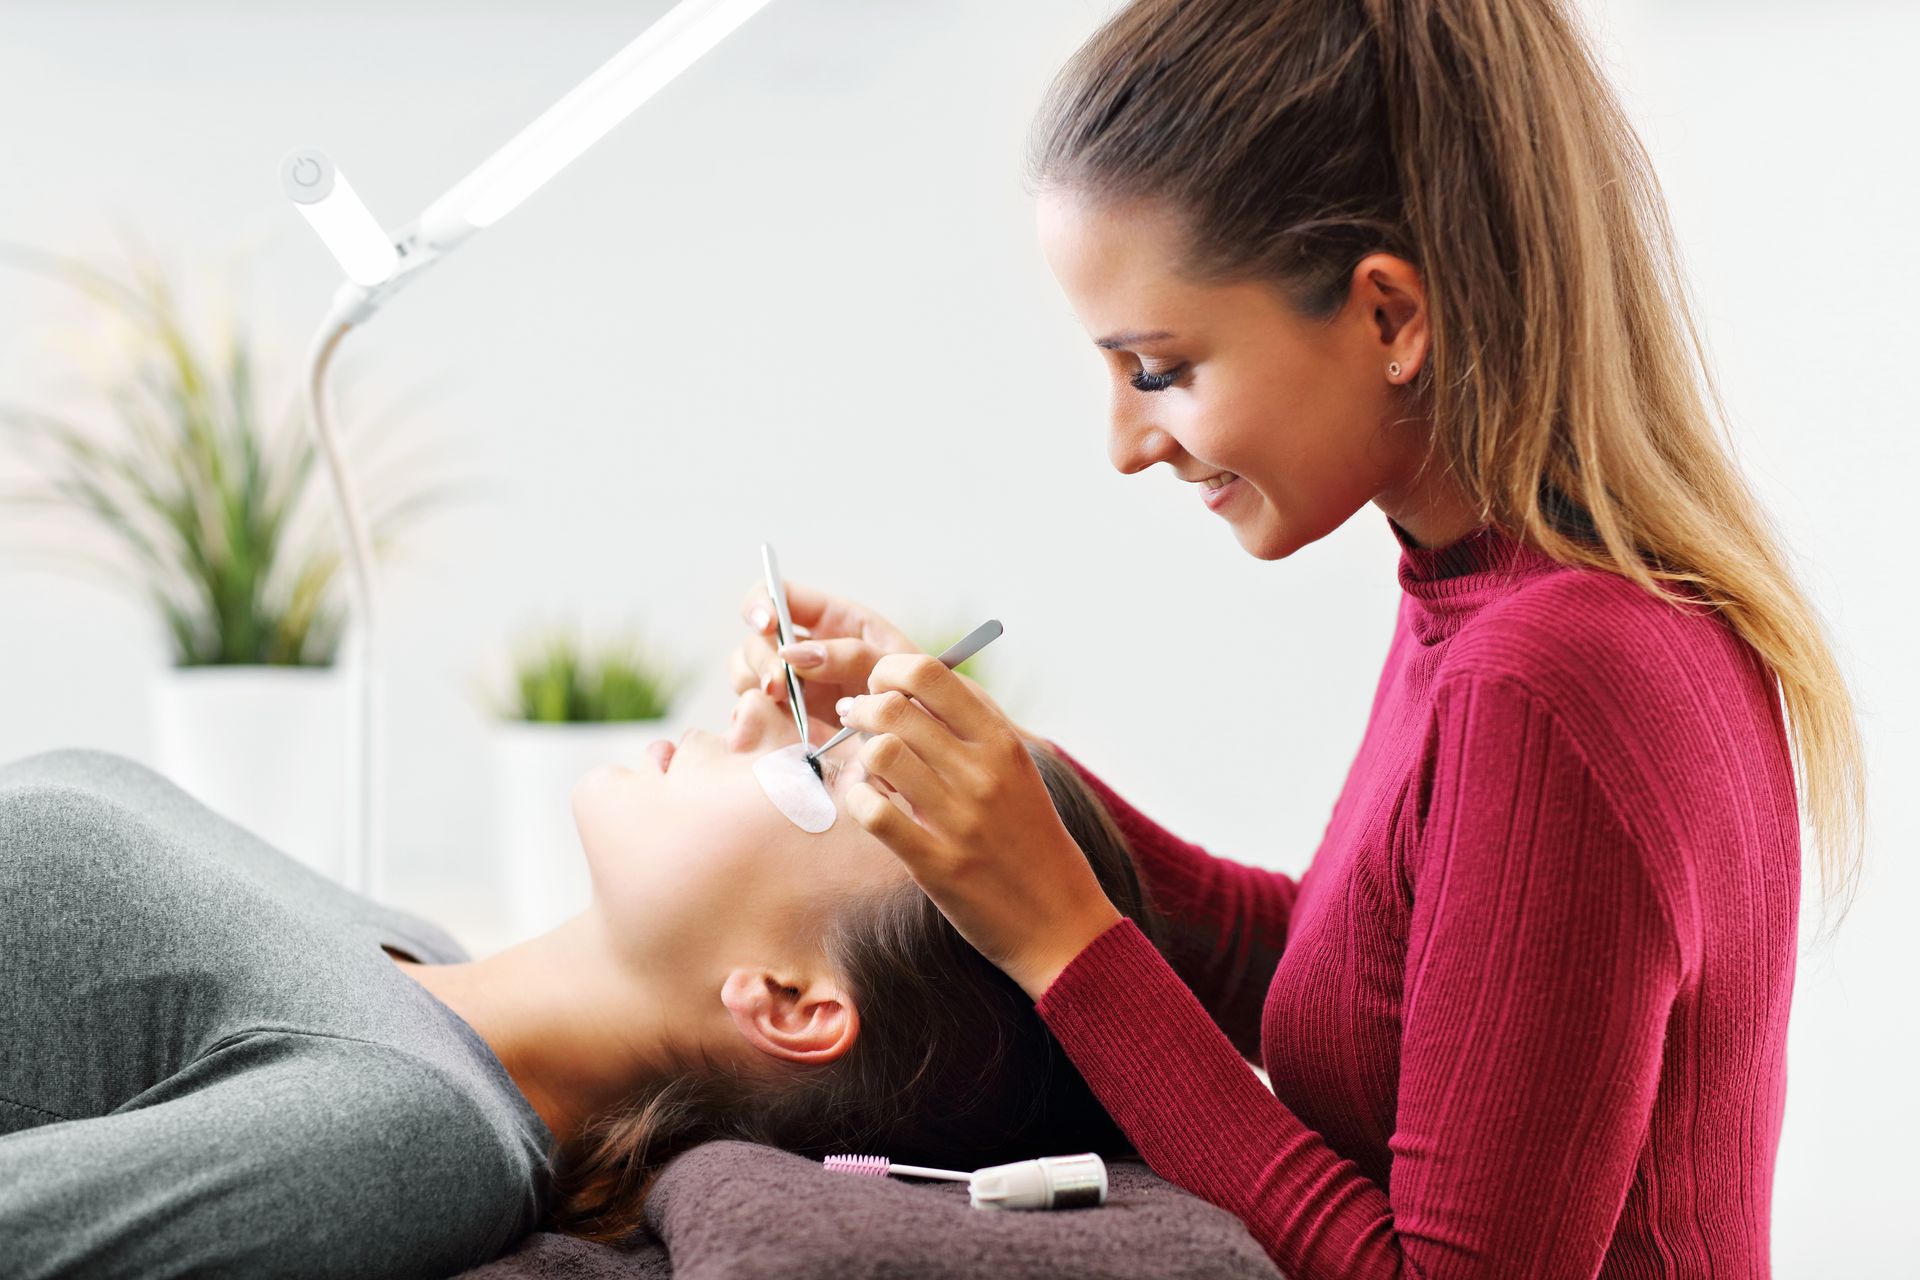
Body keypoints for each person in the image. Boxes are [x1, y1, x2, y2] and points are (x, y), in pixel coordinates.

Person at [730, 1, 1866, 1276]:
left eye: (1158, 369)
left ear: (1390, 316)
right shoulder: (1501, 598)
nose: (1126, 443)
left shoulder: (1551, 674)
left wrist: (1060, 938)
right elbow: (1363, 974)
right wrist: (989, 779)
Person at [0, 687, 1161, 1274]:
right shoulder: (417, 946)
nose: (746, 719)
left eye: (808, 760)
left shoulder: (408, 1130)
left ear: (791, 1001)